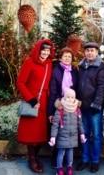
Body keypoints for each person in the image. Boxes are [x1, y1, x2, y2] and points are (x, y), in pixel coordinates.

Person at [16, 39, 54, 173]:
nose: (45, 53)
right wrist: (31, 100)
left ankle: (36, 156)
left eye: (48, 50)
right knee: (31, 132)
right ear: (38, 50)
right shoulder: (29, 62)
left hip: (45, 100)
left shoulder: (50, 64)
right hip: (32, 100)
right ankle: (32, 158)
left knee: (41, 132)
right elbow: (20, 83)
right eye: (43, 50)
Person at [76, 42, 104, 173]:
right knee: (84, 134)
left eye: (92, 51)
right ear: (85, 52)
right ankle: (84, 159)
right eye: (87, 50)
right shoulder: (81, 66)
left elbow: (102, 87)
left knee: (96, 135)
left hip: (94, 108)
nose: (90, 53)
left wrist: (97, 104)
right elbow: (79, 85)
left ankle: (95, 161)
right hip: (82, 106)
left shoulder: (101, 67)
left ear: (97, 52)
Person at [47, 47, 79, 168]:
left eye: (69, 57)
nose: (67, 58)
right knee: (59, 133)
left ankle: (68, 161)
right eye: (65, 56)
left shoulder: (74, 71)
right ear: (60, 58)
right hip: (59, 104)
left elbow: (76, 90)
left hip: (71, 106)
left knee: (70, 132)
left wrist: (77, 104)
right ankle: (56, 160)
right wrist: (51, 111)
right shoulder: (56, 71)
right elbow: (53, 92)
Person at [49, 88, 86, 175]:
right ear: (64, 97)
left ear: (75, 98)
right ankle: (59, 169)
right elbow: (55, 124)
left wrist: (82, 134)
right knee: (61, 153)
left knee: (70, 153)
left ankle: (69, 167)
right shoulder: (60, 109)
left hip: (73, 136)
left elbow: (80, 123)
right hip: (62, 135)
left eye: (72, 97)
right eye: (68, 97)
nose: (70, 99)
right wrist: (53, 136)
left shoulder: (77, 109)